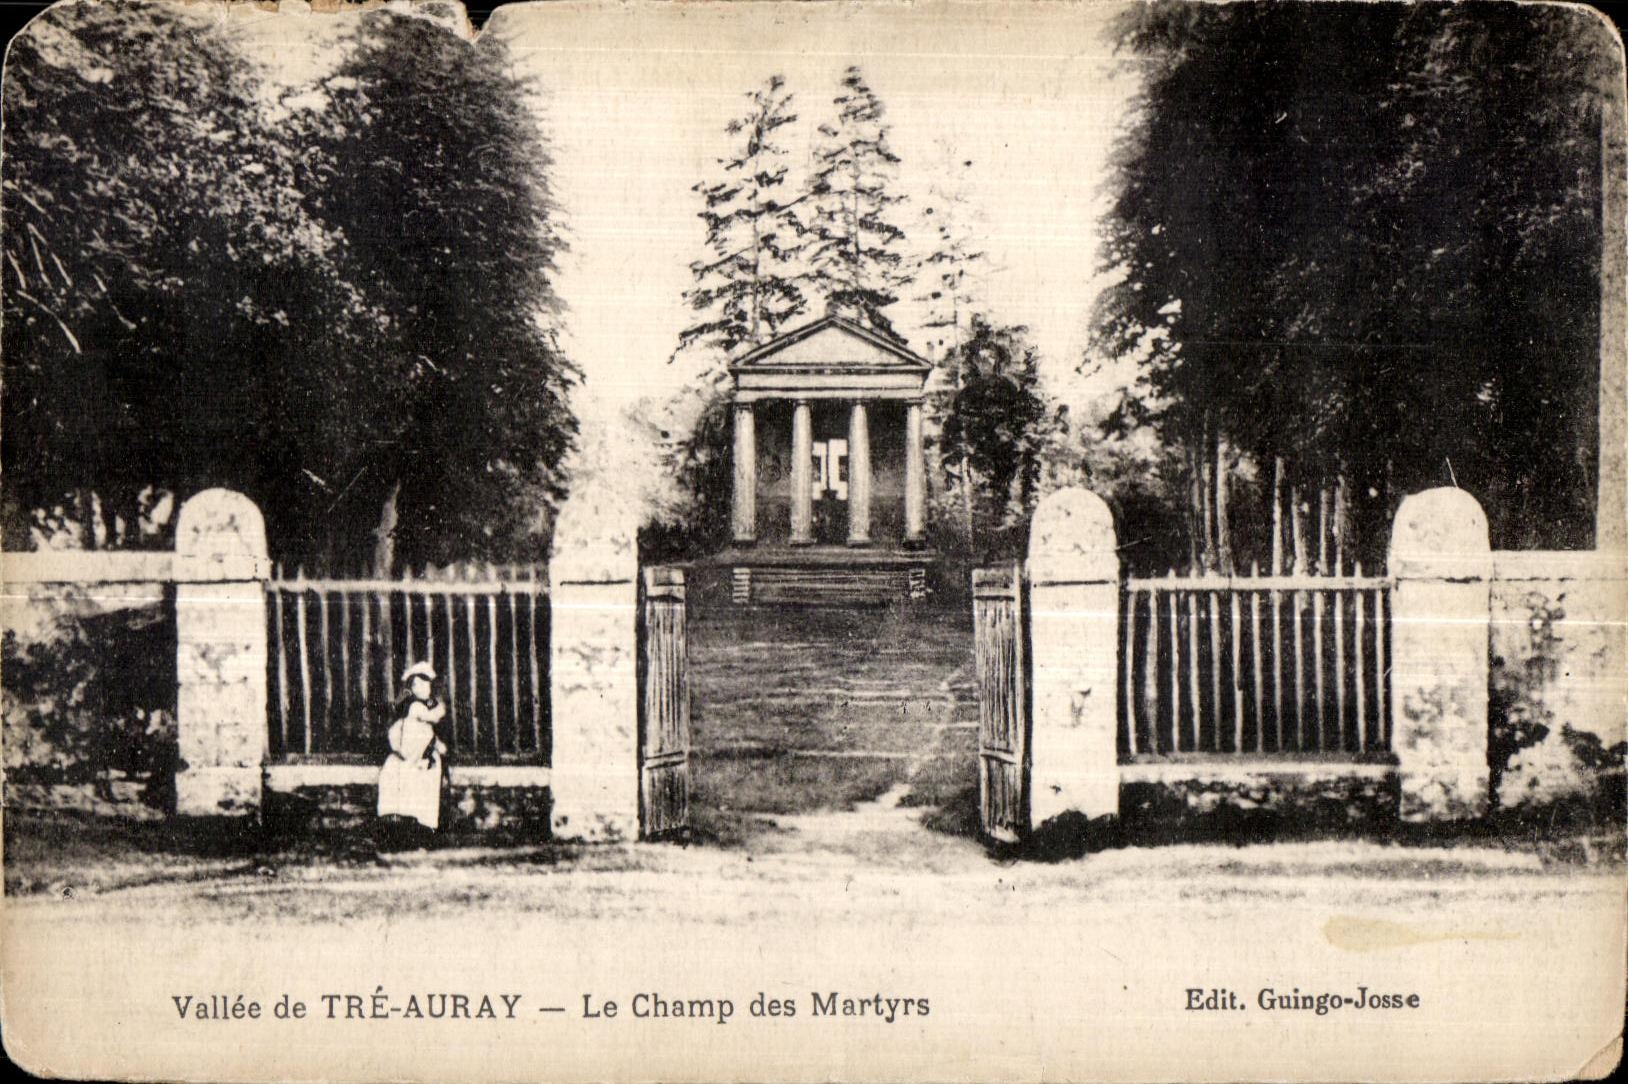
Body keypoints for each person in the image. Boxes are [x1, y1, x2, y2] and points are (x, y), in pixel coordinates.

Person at [376, 661, 448, 834]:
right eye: (416, 684)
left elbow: (435, 719)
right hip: (407, 754)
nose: (421, 688)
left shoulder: (428, 706)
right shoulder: (413, 707)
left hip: (423, 755)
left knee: (424, 789)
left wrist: (435, 746)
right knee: (399, 782)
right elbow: (424, 718)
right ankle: (400, 827)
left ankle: (424, 829)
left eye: (425, 685)